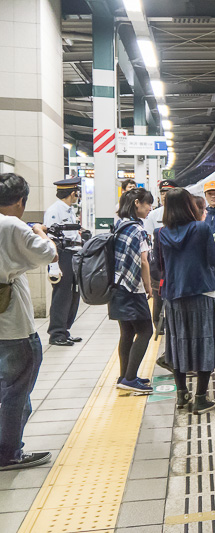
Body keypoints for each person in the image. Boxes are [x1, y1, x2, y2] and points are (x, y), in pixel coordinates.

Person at [0, 173, 57, 470]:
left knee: (7, 388)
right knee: (16, 391)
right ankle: (9, 453)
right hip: (12, 326)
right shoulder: (11, 225)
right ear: (21, 201)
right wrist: (39, 231)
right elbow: (48, 253)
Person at [155, 188, 215, 414]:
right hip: (201, 293)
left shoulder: (160, 233)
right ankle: (201, 398)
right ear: (189, 206)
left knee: (178, 343)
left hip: (174, 296)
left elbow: (160, 266)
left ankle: (181, 394)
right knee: (205, 340)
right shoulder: (201, 228)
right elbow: (213, 259)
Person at [111, 188, 155, 394]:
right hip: (132, 288)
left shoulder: (120, 225)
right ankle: (129, 379)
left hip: (117, 286)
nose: (150, 208)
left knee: (127, 331)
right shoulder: (137, 229)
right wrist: (148, 287)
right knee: (146, 330)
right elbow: (144, 261)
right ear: (137, 203)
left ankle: (125, 376)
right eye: (147, 204)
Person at [44, 177, 83, 346]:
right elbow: (51, 240)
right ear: (73, 192)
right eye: (77, 192)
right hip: (61, 255)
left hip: (72, 254)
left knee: (73, 294)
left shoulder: (68, 210)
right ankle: (56, 333)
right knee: (62, 294)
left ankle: (65, 330)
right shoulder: (55, 210)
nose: (77, 195)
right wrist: (54, 265)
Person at [144, 179, 178, 332]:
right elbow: (149, 237)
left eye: (168, 192)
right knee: (158, 295)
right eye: (162, 193)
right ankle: (158, 324)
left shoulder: (180, 213)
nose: (164, 196)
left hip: (176, 261)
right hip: (159, 261)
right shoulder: (154, 215)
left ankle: (173, 322)